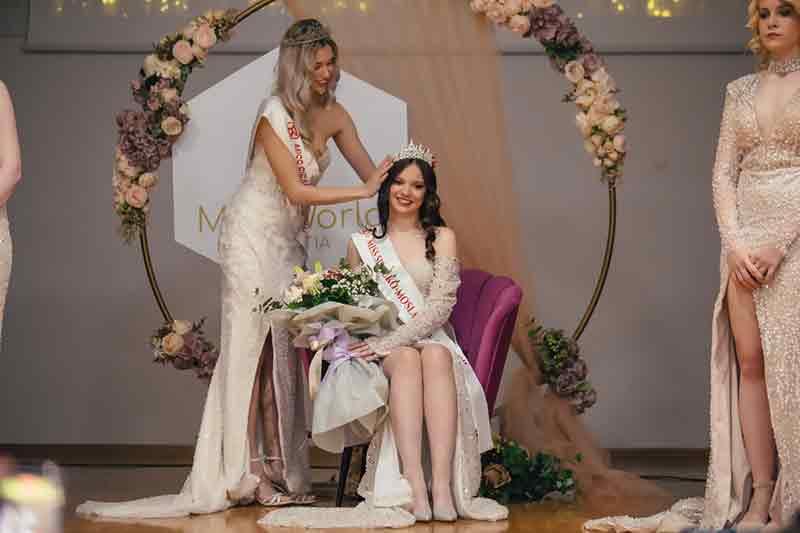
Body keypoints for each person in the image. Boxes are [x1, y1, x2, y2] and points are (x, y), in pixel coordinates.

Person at [77, 19, 391, 518]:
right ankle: (243, 472)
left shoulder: (336, 114)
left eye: (332, 63)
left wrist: (405, 179)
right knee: (249, 348)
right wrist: (363, 191)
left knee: (281, 353)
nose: (328, 72)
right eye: (317, 65)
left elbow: (373, 173)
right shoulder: (273, 114)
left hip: (288, 243)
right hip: (250, 235)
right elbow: (297, 190)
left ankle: (277, 468)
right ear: (297, 67)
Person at [584, 1, 800, 531]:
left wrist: (781, 244)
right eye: (764, 12)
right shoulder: (739, 91)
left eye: (786, 11)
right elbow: (723, 173)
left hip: (794, 242)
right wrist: (735, 245)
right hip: (744, 245)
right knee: (751, 366)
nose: (772, 21)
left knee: (790, 369)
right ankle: (760, 496)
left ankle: (790, 501)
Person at [262, 142, 508, 528]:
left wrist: (392, 341)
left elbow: (440, 308)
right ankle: (415, 487)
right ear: (387, 186)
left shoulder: (442, 237)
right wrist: (381, 343)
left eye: (417, 185)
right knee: (407, 359)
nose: (406, 191)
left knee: (436, 356)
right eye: (399, 182)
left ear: (428, 193)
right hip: (384, 346)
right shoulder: (362, 244)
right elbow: (359, 307)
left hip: (432, 337)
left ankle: (443, 487)